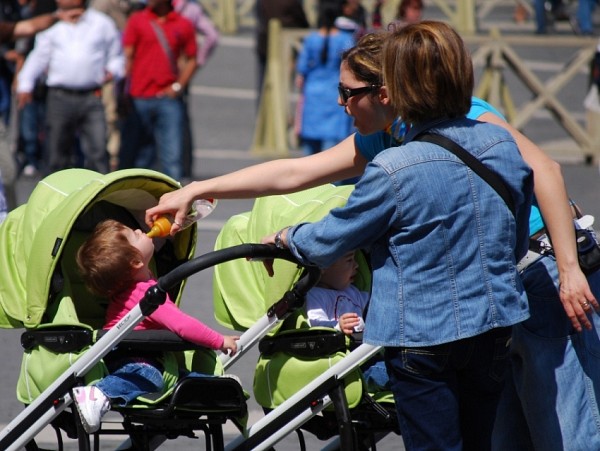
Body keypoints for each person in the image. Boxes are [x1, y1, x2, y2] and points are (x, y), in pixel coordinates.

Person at [146, 27, 600, 448]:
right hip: (487, 294)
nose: (339, 103)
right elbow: (294, 172)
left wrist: (568, 270)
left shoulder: (465, 121)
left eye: (347, 92)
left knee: (565, 429)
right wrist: (197, 189)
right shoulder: (391, 133)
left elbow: (545, 170)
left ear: (387, 91)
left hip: (539, 273)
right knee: (499, 434)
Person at [262, 21, 534, 449]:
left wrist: (286, 238)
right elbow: (513, 242)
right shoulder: (500, 144)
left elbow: (330, 239)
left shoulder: (394, 167)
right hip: (493, 322)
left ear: (397, 87)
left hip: (422, 332)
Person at [72, 219, 239, 433]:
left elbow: (152, 245)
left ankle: (215, 386)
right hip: (132, 359)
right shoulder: (145, 295)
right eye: (135, 235)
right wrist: (219, 340)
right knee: (151, 378)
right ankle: (99, 393)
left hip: (146, 358)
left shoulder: (137, 284)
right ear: (135, 262)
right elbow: (182, 325)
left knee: (180, 380)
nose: (140, 230)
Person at [16, 0, 124, 175]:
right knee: (56, 152)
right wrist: (25, 84)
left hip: (92, 95)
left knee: (98, 150)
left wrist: (113, 71)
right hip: (60, 96)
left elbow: (116, 56)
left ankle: (102, 190)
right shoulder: (51, 23)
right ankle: (54, 190)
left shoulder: (101, 23)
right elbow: (39, 57)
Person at [118, 0, 198, 181]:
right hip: (138, 97)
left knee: (172, 158)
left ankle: (175, 195)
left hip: (167, 99)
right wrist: (123, 92)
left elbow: (192, 58)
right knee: (134, 154)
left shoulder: (182, 23)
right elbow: (128, 56)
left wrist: (178, 85)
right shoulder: (137, 20)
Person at [306, 250, 389, 392]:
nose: (357, 265)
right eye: (349, 260)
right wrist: (338, 326)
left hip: (368, 352)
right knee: (390, 374)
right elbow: (315, 326)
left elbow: (376, 305)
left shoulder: (352, 291)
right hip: (349, 364)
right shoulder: (314, 295)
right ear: (323, 267)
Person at [295, 1, 354, 156]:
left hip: (313, 93)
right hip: (334, 93)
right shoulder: (346, 39)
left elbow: (302, 68)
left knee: (309, 150)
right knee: (331, 150)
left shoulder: (311, 39)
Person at [172, 0, 219, 178]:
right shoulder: (191, 8)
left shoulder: (153, 7)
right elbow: (212, 36)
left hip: (160, 71)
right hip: (181, 71)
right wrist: (197, 62)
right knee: (180, 119)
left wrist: (197, 61)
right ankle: (184, 167)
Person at [255, 0, 309, 99]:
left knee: (264, 83)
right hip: (285, 45)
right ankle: (277, 104)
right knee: (284, 82)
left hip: (266, 42)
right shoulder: (292, 2)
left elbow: (258, 13)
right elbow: (302, 20)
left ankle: (264, 105)